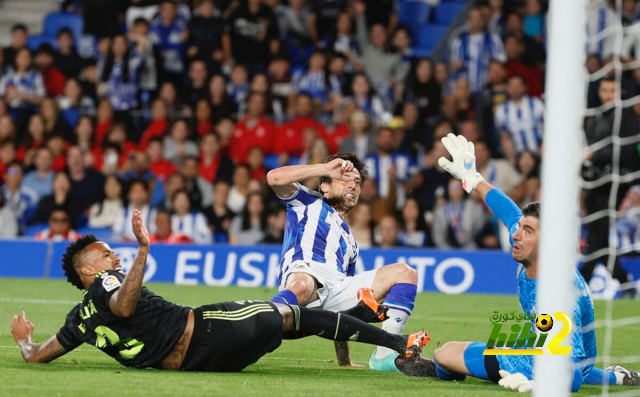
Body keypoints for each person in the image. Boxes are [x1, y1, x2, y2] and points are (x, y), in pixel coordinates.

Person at [10, 210, 429, 373]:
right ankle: (396, 342)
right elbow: (124, 306)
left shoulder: (77, 319)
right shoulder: (107, 284)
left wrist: (25, 342)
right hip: (207, 330)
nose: (112, 258)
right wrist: (142, 249)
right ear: (88, 269)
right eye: (105, 254)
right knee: (292, 317)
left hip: (199, 363)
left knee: (286, 323)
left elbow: (38, 355)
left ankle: (372, 322)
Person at [395, 134, 640, 391]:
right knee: (451, 353)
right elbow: (509, 211)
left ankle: (445, 370)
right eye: (520, 227)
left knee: (445, 353)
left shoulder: (559, 294)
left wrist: (538, 382)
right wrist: (473, 179)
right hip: (541, 348)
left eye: (527, 230)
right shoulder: (531, 247)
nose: (516, 234)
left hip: (551, 361)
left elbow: (574, 373)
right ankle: (616, 377)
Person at [267, 152, 419, 372]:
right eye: (345, 178)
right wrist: (324, 168)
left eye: (357, 182)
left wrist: (344, 360)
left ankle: (385, 356)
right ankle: (261, 323)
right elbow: (274, 178)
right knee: (302, 285)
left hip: (335, 290)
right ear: (325, 186)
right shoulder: (308, 202)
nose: (353, 186)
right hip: (304, 277)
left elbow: (344, 314)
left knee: (405, 273)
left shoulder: (351, 244)